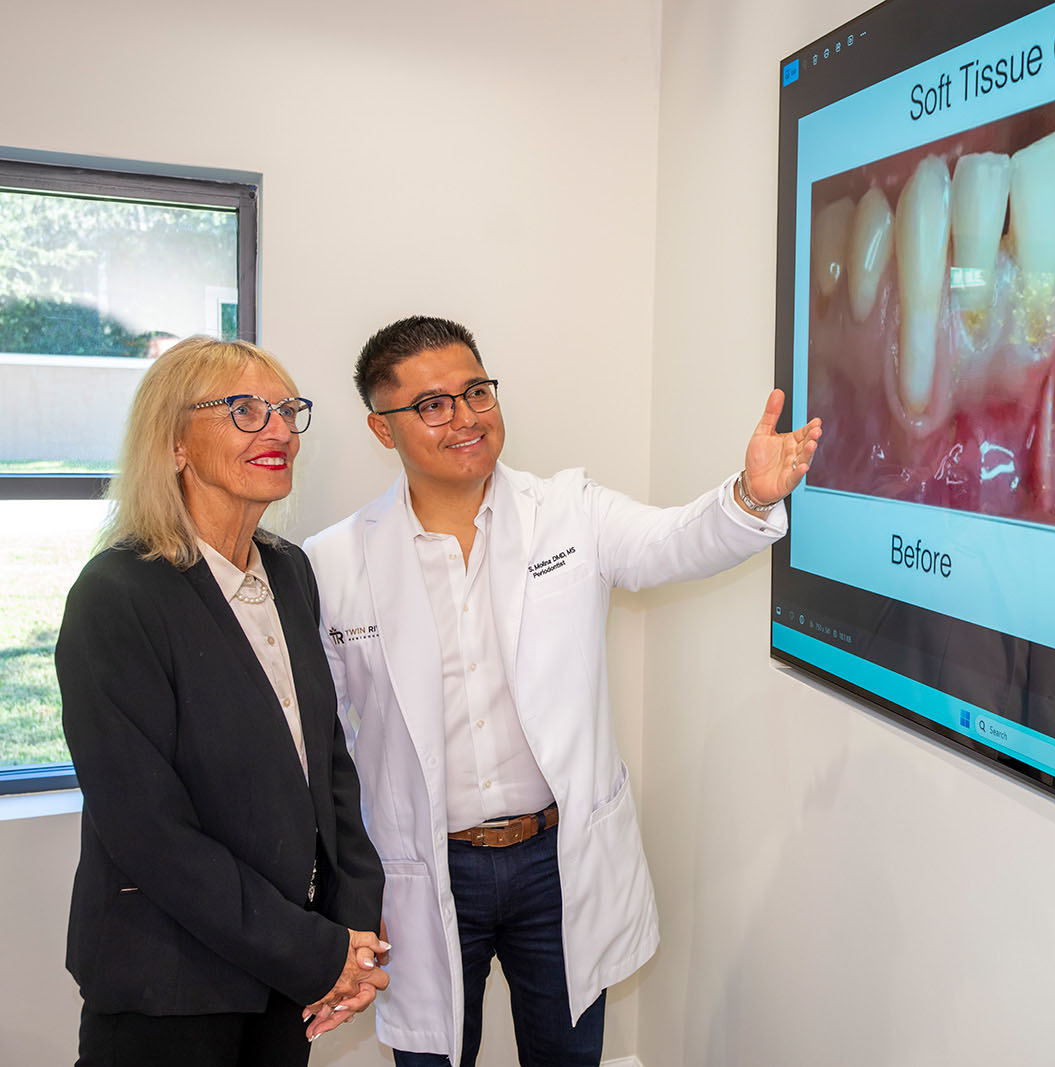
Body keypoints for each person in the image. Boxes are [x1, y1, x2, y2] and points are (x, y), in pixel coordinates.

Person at [304, 316, 820, 1066]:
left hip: (556, 858)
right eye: (433, 404)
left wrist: (747, 494)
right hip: (426, 870)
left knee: (570, 1054)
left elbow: (672, 541)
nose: (467, 417)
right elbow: (329, 747)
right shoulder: (337, 562)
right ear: (383, 430)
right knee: (434, 1057)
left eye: (476, 391)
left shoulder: (568, 511)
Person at [56, 336, 390, 1066]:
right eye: (246, 410)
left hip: (286, 977)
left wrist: (352, 931)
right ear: (175, 442)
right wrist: (316, 949)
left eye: (286, 410)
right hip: (170, 986)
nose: (278, 431)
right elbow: (150, 832)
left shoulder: (290, 570)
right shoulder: (115, 596)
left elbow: (328, 763)